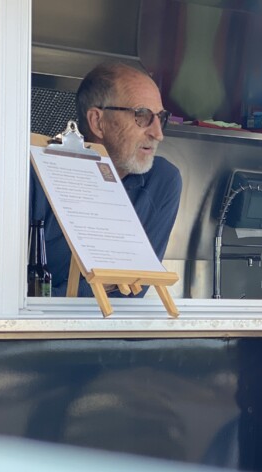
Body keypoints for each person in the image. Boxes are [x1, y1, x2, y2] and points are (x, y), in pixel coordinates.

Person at [30, 62, 182, 297]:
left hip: (111, 322)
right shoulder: (36, 176)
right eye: (142, 116)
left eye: (160, 118)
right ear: (97, 122)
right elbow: (20, 293)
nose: (158, 134)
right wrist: (105, 286)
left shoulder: (162, 181)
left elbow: (133, 290)